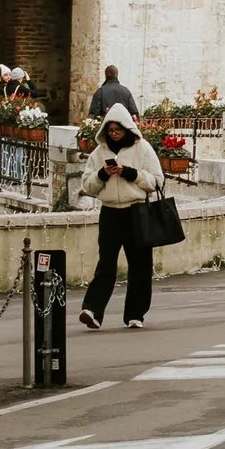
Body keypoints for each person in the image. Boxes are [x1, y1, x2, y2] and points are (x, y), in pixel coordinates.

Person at [76, 108, 165, 330]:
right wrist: (103, 174)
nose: (114, 134)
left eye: (118, 130)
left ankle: (136, 314)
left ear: (127, 129)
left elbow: (157, 181)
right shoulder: (98, 153)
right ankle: (93, 310)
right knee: (106, 263)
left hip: (136, 211)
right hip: (110, 212)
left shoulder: (143, 149)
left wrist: (131, 173)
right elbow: (87, 185)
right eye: (111, 130)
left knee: (140, 265)